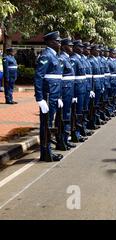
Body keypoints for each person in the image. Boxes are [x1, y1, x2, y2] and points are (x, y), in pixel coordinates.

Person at [34, 31, 64, 162]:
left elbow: (57, 79)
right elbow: (38, 77)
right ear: (51, 42)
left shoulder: (55, 56)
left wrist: (58, 96)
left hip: (53, 95)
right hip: (47, 96)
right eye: (57, 41)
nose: (59, 43)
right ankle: (46, 153)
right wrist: (39, 98)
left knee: (50, 123)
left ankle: (48, 151)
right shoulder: (46, 56)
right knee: (46, 124)